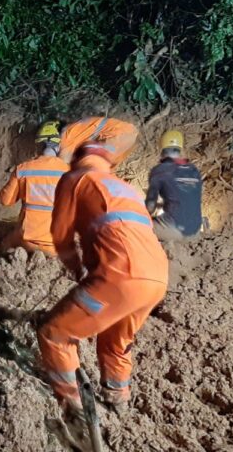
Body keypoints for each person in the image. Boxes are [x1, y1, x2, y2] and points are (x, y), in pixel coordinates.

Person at [37, 142, 168, 415]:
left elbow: (61, 236)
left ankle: (73, 410)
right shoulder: (125, 188)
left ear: (77, 159)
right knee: (116, 338)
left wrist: (77, 270)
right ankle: (118, 398)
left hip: (120, 275)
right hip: (157, 277)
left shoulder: (76, 178)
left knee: (55, 333)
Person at [0, 121, 69, 255]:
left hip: (26, 241)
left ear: (38, 145)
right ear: (58, 147)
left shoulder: (23, 169)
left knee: (5, 244)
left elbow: (5, 201)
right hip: (56, 246)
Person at [145, 130, 203, 241]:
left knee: (137, 226)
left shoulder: (160, 170)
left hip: (173, 230)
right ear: (180, 149)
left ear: (161, 148)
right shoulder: (193, 170)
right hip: (195, 232)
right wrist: (163, 206)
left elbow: (150, 206)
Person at [58, 115, 138, 168]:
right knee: (102, 164)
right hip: (126, 133)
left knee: (95, 164)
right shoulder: (74, 130)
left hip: (119, 135)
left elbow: (64, 160)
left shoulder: (66, 138)